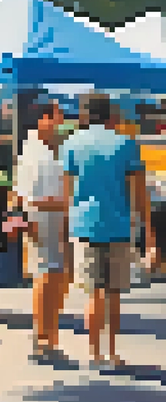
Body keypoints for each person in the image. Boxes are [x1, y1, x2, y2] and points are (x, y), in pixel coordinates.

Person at [61, 94, 148, 369]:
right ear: (111, 115)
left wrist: (67, 224)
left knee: (93, 292)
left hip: (84, 224)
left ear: (85, 116)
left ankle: (94, 353)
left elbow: (68, 189)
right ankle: (112, 352)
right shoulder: (126, 144)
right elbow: (138, 189)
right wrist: (146, 226)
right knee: (113, 293)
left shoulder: (71, 143)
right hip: (119, 224)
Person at [11, 99, 69, 362]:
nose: (61, 121)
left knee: (53, 277)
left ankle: (48, 338)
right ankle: (43, 339)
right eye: (57, 115)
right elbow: (31, 198)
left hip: (51, 219)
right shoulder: (36, 154)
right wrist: (69, 204)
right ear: (43, 119)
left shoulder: (43, 149)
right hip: (45, 220)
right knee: (46, 277)